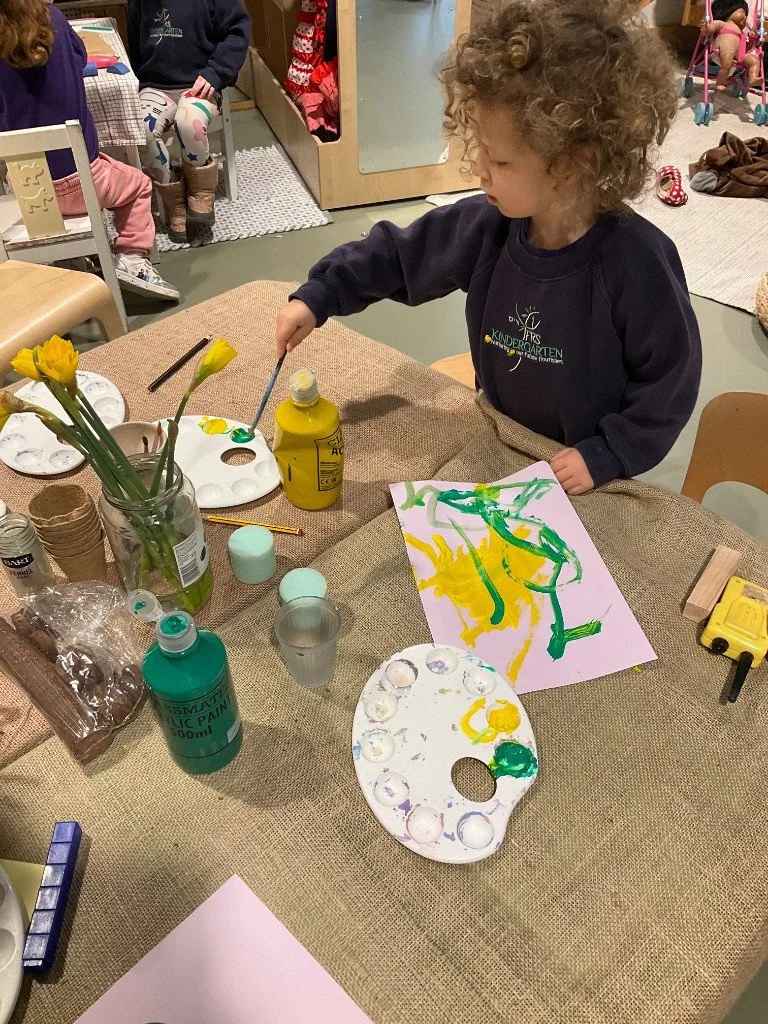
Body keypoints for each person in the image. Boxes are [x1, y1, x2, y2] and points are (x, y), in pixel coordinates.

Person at [275, 0, 703, 496]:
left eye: (499, 161)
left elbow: (671, 381)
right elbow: (399, 256)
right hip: (500, 437)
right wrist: (321, 294)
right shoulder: (488, 226)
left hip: (586, 471)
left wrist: (610, 451)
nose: (478, 170)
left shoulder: (638, 261)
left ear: (572, 164)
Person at [0, 0, 179, 300]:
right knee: (138, 184)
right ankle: (132, 257)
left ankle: (66, 262)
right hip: (84, 183)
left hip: (24, 194)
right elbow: (80, 56)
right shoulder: (53, 19)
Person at [128, 0, 251, 243]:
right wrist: (140, 79)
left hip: (200, 83)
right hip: (155, 84)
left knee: (188, 122)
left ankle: (201, 191)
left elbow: (238, 30)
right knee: (142, 129)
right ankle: (174, 201)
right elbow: (135, 39)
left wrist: (216, 72)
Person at [703, 0, 763, 92]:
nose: (745, 16)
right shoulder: (721, 23)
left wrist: (751, 39)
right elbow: (712, 28)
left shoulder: (742, 32)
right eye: (742, 12)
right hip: (722, 52)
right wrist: (707, 29)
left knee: (754, 60)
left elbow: (746, 48)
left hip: (740, 57)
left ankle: (753, 78)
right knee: (727, 61)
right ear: (729, 11)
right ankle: (720, 82)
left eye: (746, 14)